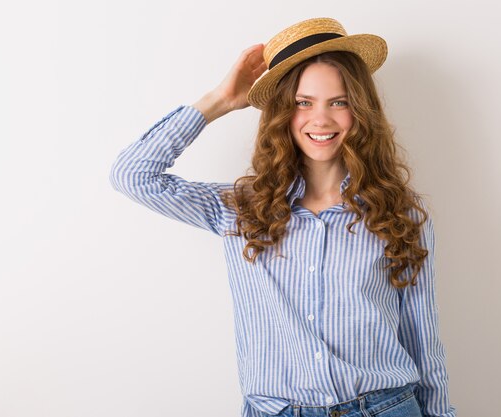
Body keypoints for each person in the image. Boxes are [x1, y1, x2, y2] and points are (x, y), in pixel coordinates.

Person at [110, 17, 457, 417]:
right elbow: (132, 175)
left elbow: (422, 337)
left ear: (359, 110)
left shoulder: (398, 213)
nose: (321, 119)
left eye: (338, 102)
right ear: (281, 112)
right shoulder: (239, 209)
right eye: (302, 103)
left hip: (385, 407)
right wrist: (220, 100)